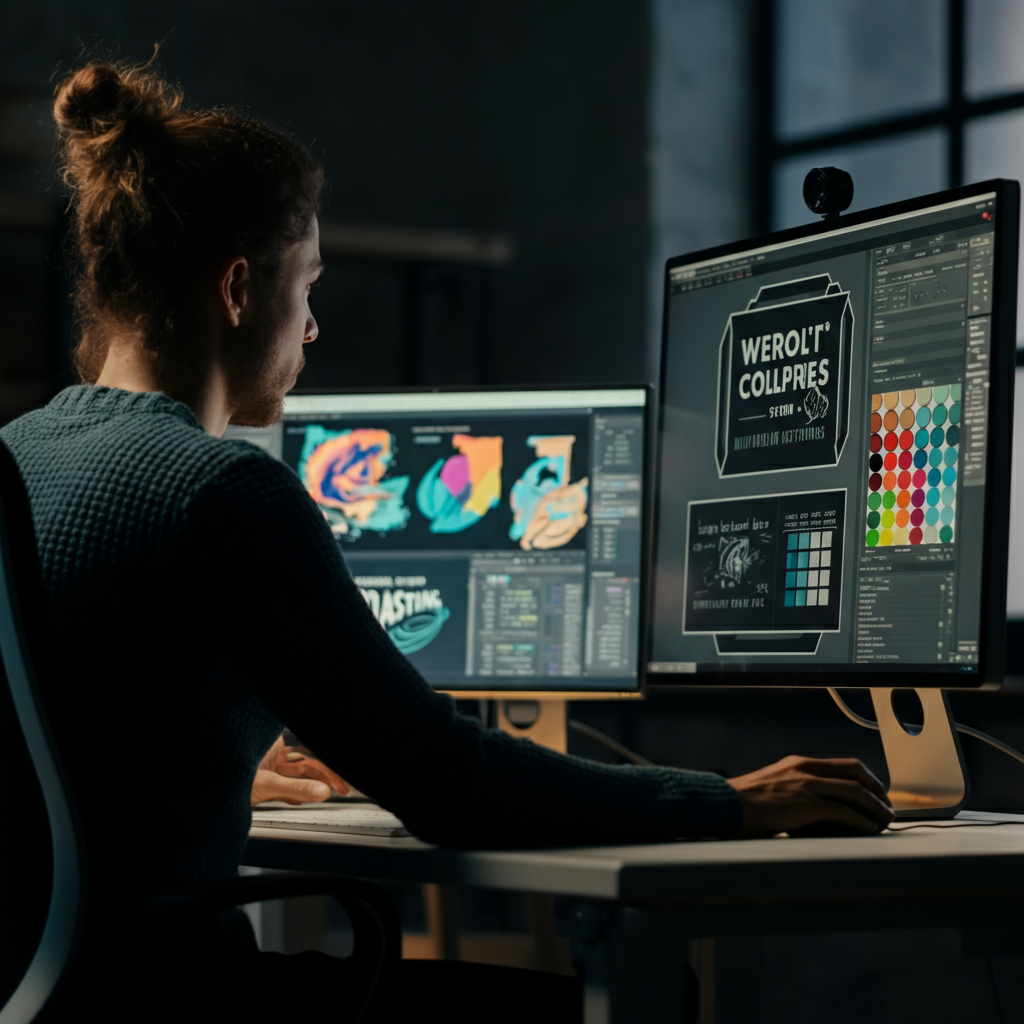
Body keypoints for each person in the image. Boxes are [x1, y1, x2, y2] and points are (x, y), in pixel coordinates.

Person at [1, 57, 893, 1022]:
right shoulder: (223, 494)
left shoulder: (19, 454)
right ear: (238, 289)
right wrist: (725, 801)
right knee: (643, 997)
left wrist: (198, 767)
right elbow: (449, 784)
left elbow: (62, 722)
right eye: (306, 287)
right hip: (178, 996)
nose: (310, 328)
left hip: (48, 990)